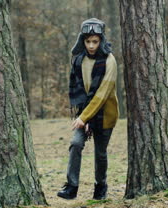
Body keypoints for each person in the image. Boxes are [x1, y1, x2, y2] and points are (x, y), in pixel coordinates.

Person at [57, 18, 119, 200]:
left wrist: (85, 118)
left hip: (105, 115)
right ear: (82, 41)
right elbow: (79, 90)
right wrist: (83, 117)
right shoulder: (79, 60)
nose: (91, 45)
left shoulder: (109, 60)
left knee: (100, 154)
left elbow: (102, 94)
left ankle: (101, 186)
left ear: (101, 41)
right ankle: (71, 186)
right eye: (88, 41)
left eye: (95, 41)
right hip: (84, 114)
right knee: (76, 144)